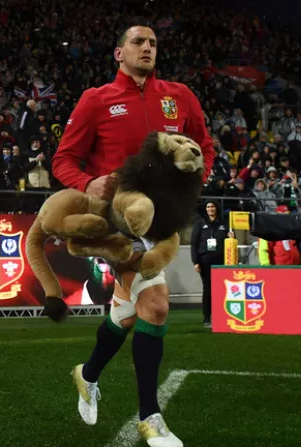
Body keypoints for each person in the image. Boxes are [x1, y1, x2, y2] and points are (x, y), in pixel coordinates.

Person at [51, 23, 215, 447]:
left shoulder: (179, 96)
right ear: (118, 54)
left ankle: (86, 375)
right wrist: (87, 183)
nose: (147, 47)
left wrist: (192, 181)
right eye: (138, 42)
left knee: (128, 311)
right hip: (117, 220)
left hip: (162, 222)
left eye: (153, 43)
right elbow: (63, 159)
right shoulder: (96, 100)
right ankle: (150, 417)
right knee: (157, 306)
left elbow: (204, 147)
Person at [191, 200, 232, 328]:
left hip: (221, 261)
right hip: (205, 261)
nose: (210, 209)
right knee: (208, 289)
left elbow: (230, 242)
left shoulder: (225, 224)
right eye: (208, 207)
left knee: (221, 289)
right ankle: (207, 318)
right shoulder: (200, 224)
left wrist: (231, 237)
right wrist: (195, 261)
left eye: (212, 206)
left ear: (216, 208)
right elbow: (194, 243)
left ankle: (221, 316)